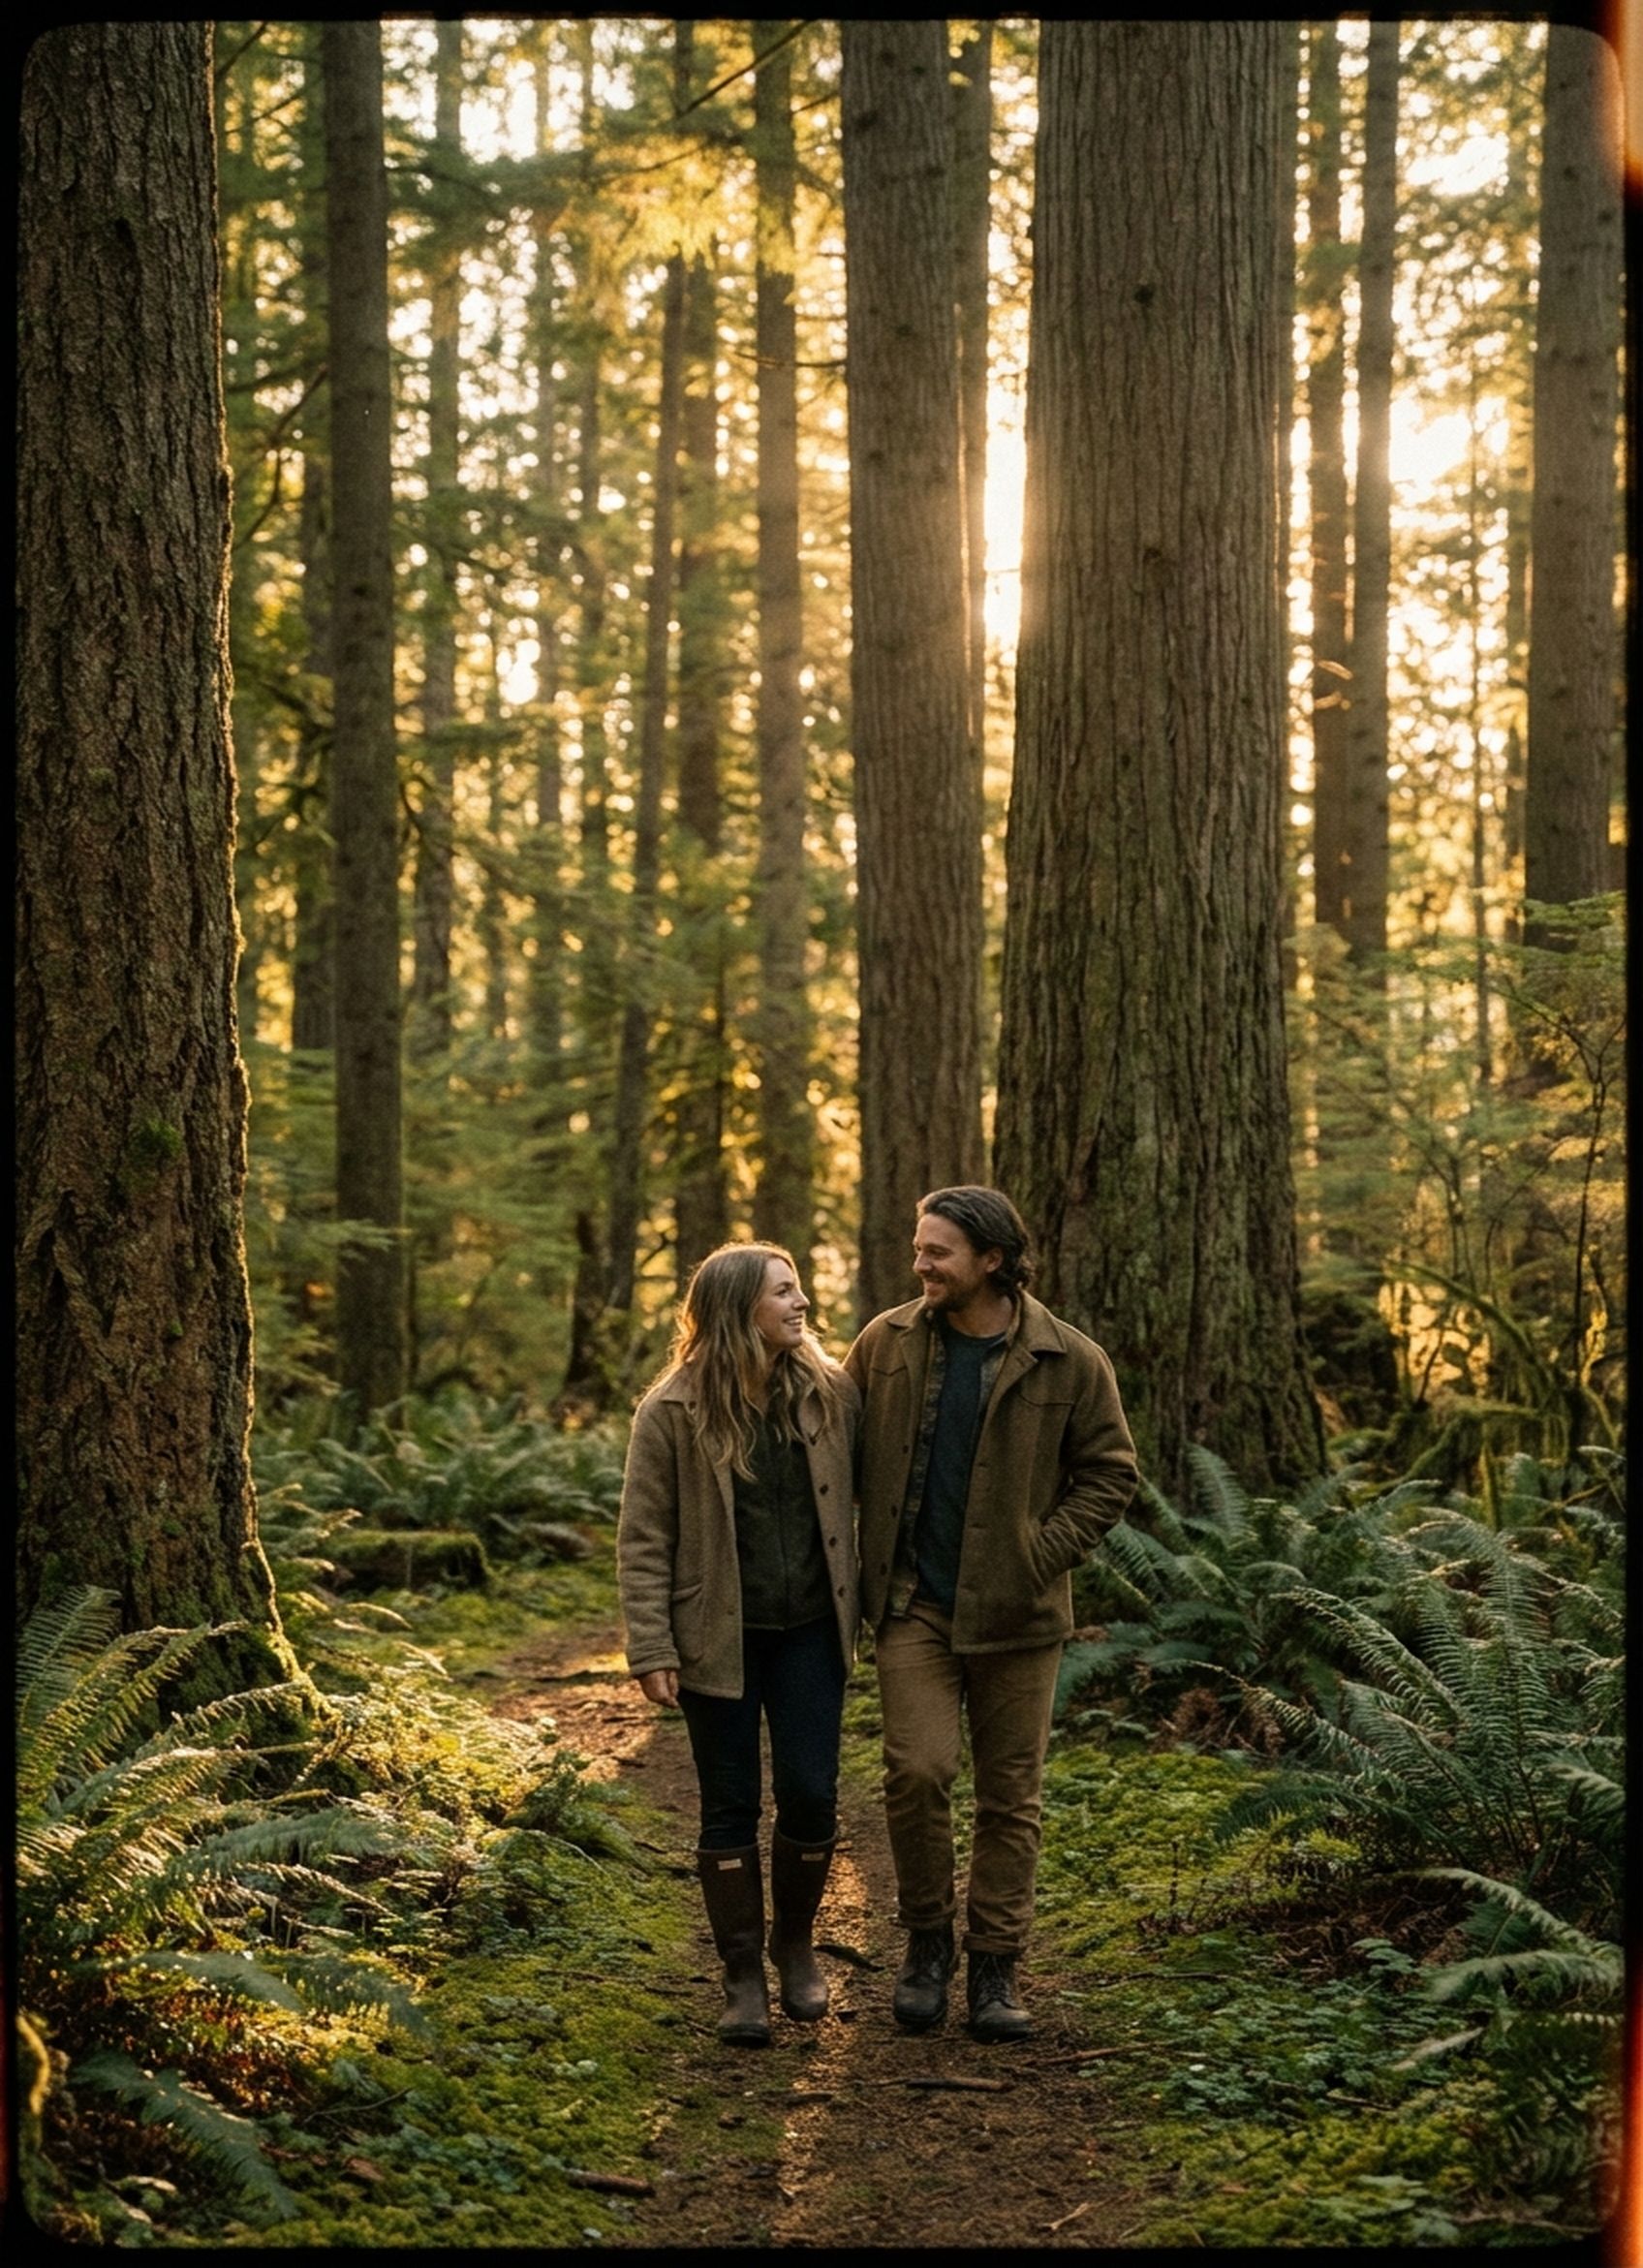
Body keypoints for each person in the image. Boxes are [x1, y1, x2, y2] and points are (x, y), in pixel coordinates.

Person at [844, 1186, 1137, 2043]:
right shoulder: (885, 1344)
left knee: (1011, 1797)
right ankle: (928, 1943)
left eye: (938, 1252)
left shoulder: (1070, 1360)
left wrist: (1039, 1552)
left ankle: (997, 1964)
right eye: (918, 1248)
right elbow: (831, 1441)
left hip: (1020, 1616)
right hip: (912, 1608)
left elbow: (1111, 1473)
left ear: (993, 1260)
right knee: (918, 1770)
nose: (921, 1264)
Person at [617, 1241, 860, 2048]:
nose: (801, 1304)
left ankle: (794, 1943)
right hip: (715, 1639)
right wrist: (651, 1644)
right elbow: (644, 1536)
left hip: (810, 1636)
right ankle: (741, 1976)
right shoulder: (672, 1410)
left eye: (798, 1290)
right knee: (728, 1804)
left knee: (811, 1794)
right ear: (736, 1310)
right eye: (784, 1293)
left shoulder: (829, 1393)